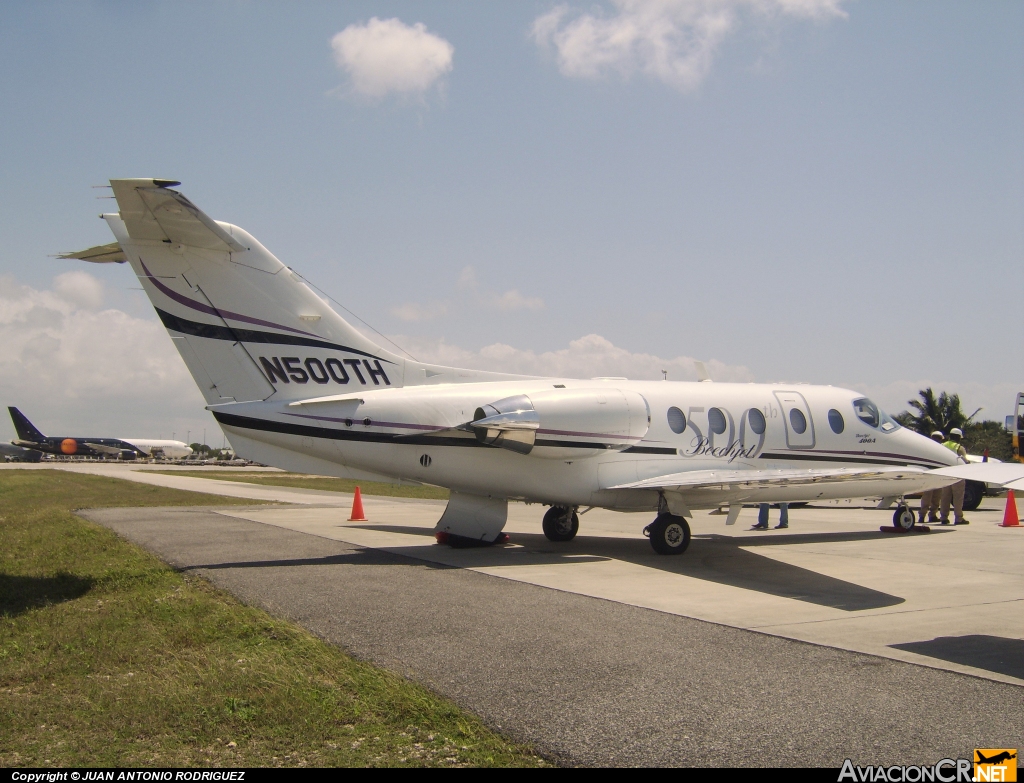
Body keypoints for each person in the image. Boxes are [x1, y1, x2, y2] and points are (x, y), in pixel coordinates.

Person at [939, 427, 969, 525]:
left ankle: (943, 517)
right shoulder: (959, 447)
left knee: (945, 497)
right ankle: (958, 518)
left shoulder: (942, 445)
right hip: (957, 475)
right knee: (958, 497)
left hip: (945, 474)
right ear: (958, 437)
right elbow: (965, 461)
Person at [918, 431, 944, 524]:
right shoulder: (927, 448)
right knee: (928, 497)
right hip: (930, 475)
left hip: (938, 475)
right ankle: (923, 516)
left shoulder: (942, 449)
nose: (937, 440)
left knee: (936, 497)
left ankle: (932, 515)